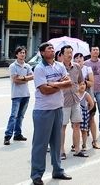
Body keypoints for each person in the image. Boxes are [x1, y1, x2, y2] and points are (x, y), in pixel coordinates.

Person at [30, 42, 73, 185]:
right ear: (42, 53)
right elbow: (44, 90)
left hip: (58, 108)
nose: (52, 50)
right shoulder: (39, 68)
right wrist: (59, 84)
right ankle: (37, 174)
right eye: (49, 49)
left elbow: (68, 83)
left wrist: (53, 84)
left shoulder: (60, 65)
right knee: (40, 144)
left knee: (56, 142)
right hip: (43, 110)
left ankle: (58, 170)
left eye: (52, 48)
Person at [58, 46, 83, 161]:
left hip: (76, 100)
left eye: (71, 52)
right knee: (62, 126)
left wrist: (79, 89)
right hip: (63, 101)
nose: (69, 55)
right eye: (67, 53)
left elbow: (81, 81)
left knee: (77, 125)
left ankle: (77, 149)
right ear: (62, 55)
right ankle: (61, 150)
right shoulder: (58, 67)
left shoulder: (77, 66)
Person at [4, 46, 33, 145]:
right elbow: (15, 80)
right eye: (20, 53)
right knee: (13, 116)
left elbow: (32, 76)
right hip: (16, 95)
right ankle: (7, 136)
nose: (22, 54)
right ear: (16, 54)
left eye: (24, 53)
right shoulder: (13, 66)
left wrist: (23, 78)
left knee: (20, 116)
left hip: (26, 94)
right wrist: (25, 78)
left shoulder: (27, 66)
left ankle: (18, 134)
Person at [84, 46, 100, 137]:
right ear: (90, 52)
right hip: (89, 90)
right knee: (89, 110)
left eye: (97, 50)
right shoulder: (86, 63)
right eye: (94, 50)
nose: (95, 51)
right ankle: (86, 129)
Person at [75, 79, 95, 157]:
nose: (82, 86)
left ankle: (84, 144)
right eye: (80, 84)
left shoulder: (86, 94)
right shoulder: (75, 94)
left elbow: (92, 104)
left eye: (83, 84)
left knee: (84, 131)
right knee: (76, 130)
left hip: (84, 114)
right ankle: (75, 144)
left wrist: (87, 110)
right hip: (76, 114)